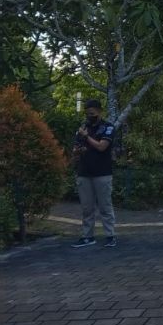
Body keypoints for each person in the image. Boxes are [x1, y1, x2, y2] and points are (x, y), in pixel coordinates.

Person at [70, 99, 118, 248]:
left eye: (92, 113)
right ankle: (87, 236)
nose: (90, 116)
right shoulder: (83, 128)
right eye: (87, 113)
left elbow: (102, 146)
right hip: (84, 172)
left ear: (99, 111)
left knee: (105, 206)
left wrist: (86, 137)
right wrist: (78, 150)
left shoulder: (107, 127)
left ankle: (110, 235)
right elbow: (75, 150)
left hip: (102, 172)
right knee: (87, 208)